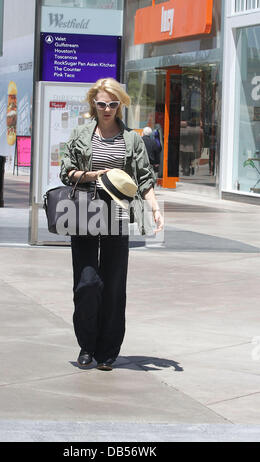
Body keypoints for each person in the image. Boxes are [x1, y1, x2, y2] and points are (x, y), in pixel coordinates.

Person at [60, 78, 164, 371]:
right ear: (94, 102)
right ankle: (86, 345)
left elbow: (144, 178)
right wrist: (96, 176)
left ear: (120, 104)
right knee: (88, 283)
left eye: (113, 103)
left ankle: (107, 351)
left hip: (118, 214)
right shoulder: (82, 134)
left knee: (115, 285)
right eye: (102, 103)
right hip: (84, 211)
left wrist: (155, 209)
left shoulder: (131, 139)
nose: (107, 109)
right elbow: (65, 171)